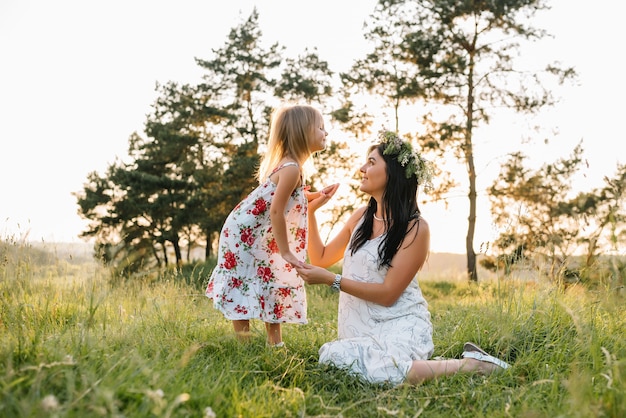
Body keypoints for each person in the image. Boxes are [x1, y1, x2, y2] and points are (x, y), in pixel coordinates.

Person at [295, 130, 510, 385]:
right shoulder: (360, 217)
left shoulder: (416, 228)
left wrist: (333, 280)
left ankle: (472, 365)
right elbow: (320, 258)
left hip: (400, 324)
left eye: (371, 162)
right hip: (360, 330)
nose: (362, 168)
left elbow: (388, 294)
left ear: (393, 173)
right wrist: (310, 212)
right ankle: (439, 366)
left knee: (379, 367)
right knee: (334, 357)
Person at [206, 104, 337, 347]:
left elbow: (289, 199)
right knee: (246, 279)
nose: (325, 133)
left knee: (271, 278)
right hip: (246, 235)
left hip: (252, 233)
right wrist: (285, 250)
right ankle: (244, 344)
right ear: (303, 132)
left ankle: (274, 343)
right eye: (320, 127)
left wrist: (318, 195)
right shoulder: (291, 169)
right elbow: (276, 210)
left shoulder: (292, 168)